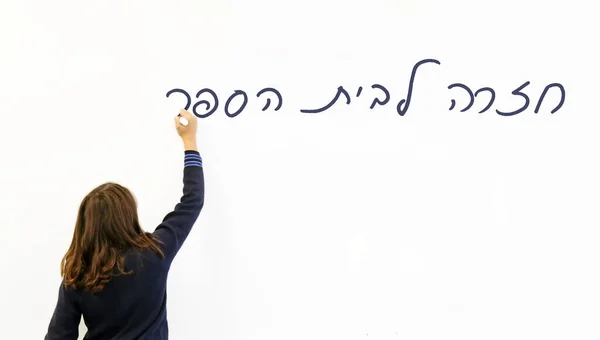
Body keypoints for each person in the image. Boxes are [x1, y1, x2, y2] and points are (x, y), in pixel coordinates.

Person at [44, 109, 205, 339]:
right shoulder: (155, 252)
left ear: (86, 225)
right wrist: (189, 139)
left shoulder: (79, 272)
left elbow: (58, 337)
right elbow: (192, 200)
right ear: (127, 216)